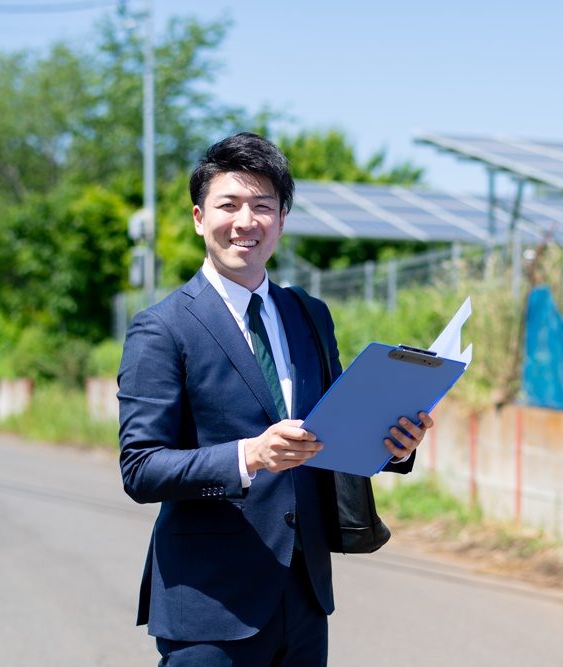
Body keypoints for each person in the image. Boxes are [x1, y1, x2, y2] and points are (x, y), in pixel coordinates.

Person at [117, 132, 433, 666]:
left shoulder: (308, 313)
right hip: (208, 605)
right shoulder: (161, 328)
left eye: (262, 206)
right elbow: (141, 468)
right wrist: (249, 455)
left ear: (281, 220)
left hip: (304, 597)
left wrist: (392, 445)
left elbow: (335, 429)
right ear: (199, 218)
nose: (246, 221)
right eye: (229, 205)